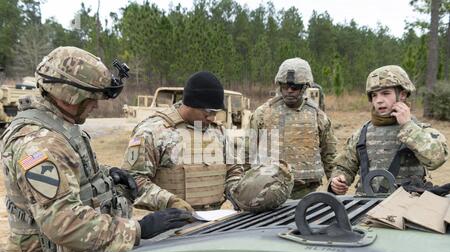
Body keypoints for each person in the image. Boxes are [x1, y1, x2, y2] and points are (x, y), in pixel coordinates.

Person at [0, 46, 192, 252]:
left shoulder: (61, 125)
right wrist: (138, 230)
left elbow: (72, 173)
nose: (96, 105)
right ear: (69, 95)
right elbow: (63, 221)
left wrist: (106, 174)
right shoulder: (41, 144)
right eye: (92, 98)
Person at [121, 71, 243, 212]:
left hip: (213, 224)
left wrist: (239, 194)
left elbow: (233, 171)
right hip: (172, 224)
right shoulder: (152, 131)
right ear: (191, 103)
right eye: (208, 111)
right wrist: (169, 202)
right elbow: (132, 180)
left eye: (216, 112)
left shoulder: (217, 131)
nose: (212, 118)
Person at [330, 65, 449, 195]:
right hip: (365, 207)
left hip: (406, 206)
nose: (379, 100)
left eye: (386, 93)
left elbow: (437, 159)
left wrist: (408, 126)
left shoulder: (418, 130)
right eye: (374, 95)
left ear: (402, 95)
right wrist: (338, 180)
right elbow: (344, 166)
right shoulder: (362, 133)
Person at [250, 57, 338, 199]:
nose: (289, 91)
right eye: (285, 86)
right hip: (268, 190)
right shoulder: (262, 114)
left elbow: (330, 155)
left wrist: (335, 182)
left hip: (305, 192)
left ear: (305, 87)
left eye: (295, 87)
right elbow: (249, 152)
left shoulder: (318, 116)